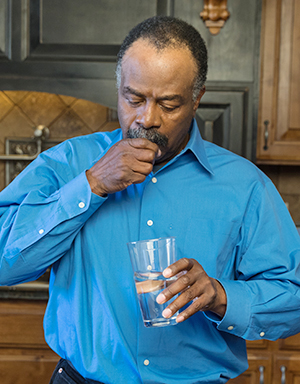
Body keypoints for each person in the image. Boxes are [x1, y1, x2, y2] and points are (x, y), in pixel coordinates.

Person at [0, 15, 300, 384]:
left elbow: (292, 297)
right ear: (119, 89)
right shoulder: (68, 164)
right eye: (134, 98)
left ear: (196, 99)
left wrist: (220, 295)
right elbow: (4, 263)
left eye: (169, 104)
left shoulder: (246, 186)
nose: (147, 118)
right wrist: (91, 185)